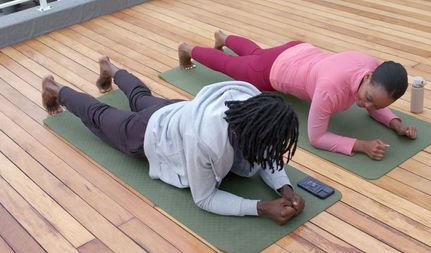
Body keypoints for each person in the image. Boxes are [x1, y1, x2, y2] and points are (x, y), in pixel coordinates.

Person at [41, 56, 305, 225]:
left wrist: (284, 188)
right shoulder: (204, 141)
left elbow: (269, 152)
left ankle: (110, 67)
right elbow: (204, 199)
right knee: (99, 114)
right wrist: (262, 208)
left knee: (140, 96)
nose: (271, 151)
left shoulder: (254, 107)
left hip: (181, 111)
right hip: (150, 135)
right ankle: (54, 89)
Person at [178, 31, 418, 161]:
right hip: (272, 73)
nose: (365, 105)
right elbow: (317, 137)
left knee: (256, 54)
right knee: (231, 65)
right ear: (368, 78)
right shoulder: (329, 89)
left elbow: (376, 103)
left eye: (374, 104)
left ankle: (224, 37)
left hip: (298, 49)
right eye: (367, 98)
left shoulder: (374, 67)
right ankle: (187, 49)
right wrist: (361, 145)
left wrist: (395, 123)